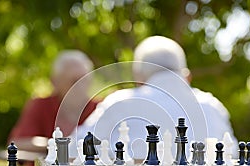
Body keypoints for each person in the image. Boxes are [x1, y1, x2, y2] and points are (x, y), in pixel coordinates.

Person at [71, 36, 237, 159]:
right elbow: (234, 155)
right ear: (187, 76)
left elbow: (72, 149)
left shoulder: (118, 103)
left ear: (138, 78)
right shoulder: (213, 106)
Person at [9, 50, 97, 153]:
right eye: (73, 81)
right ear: (54, 82)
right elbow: (16, 143)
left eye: (84, 80)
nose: (79, 86)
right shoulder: (40, 106)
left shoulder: (99, 108)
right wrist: (58, 145)